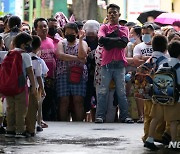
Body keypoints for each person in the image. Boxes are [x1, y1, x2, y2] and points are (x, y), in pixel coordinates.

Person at [95, 4, 133, 123]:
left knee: (121, 92)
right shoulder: (103, 28)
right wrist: (116, 39)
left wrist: (108, 40)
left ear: (119, 14)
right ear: (107, 15)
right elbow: (101, 41)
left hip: (120, 64)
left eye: (114, 12)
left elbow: (123, 43)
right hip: (106, 64)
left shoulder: (124, 29)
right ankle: (100, 116)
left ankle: (124, 116)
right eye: (110, 12)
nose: (112, 14)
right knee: (103, 91)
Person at [144, 40, 180, 150]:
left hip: (159, 97)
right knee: (173, 121)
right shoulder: (178, 66)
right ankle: (174, 143)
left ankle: (149, 140)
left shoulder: (163, 63)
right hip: (174, 99)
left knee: (155, 118)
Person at [5, 32, 36, 138]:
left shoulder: (9, 53)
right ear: (23, 45)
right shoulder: (25, 55)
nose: (30, 46)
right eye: (29, 44)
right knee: (21, 109)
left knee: (10, 108)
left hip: (8, 86)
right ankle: (20, 130)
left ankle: (10, 129)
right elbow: (30, 71)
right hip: (20, 85)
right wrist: (34, 85)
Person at [56, 22, 88, 121]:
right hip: (63, 74)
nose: (69, 35)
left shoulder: (82, 43)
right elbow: (60, 55)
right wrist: (77, 59)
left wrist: (81, 40)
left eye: (72, 33)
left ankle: (79, 122)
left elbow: (83, 55)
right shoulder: (61, 43)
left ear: (77, 33)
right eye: (67, 33)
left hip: (79, 74)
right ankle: (63, 123)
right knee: (63, 100)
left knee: (78, 100)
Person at [34, 18, 57, 121]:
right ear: (36, 29)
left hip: (51, 77)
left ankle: (44, 119)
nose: (44, 29)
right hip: (38, 77)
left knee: (48, 100)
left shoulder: (51, 41)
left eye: (45, 26)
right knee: (38, 100)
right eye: (41, 27)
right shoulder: (33, 41)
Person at [25, 35, 46, 136]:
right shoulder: (38, 60)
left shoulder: (24, 56)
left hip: (23, 87)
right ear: (39, 47)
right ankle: (37, 124)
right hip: (35, 87)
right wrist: (42, 89)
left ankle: (24, 124)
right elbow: (40, 76)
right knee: (36, 106)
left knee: (25, 106)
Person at [83, 20, 100, 121]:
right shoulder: (83, 41)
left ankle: (97, 117)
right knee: (86, 97)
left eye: (93, 35)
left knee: (98, 97)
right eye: (89, 35)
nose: (91, 38)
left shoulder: (101, 41)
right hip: (86, 74)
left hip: (98, 73)